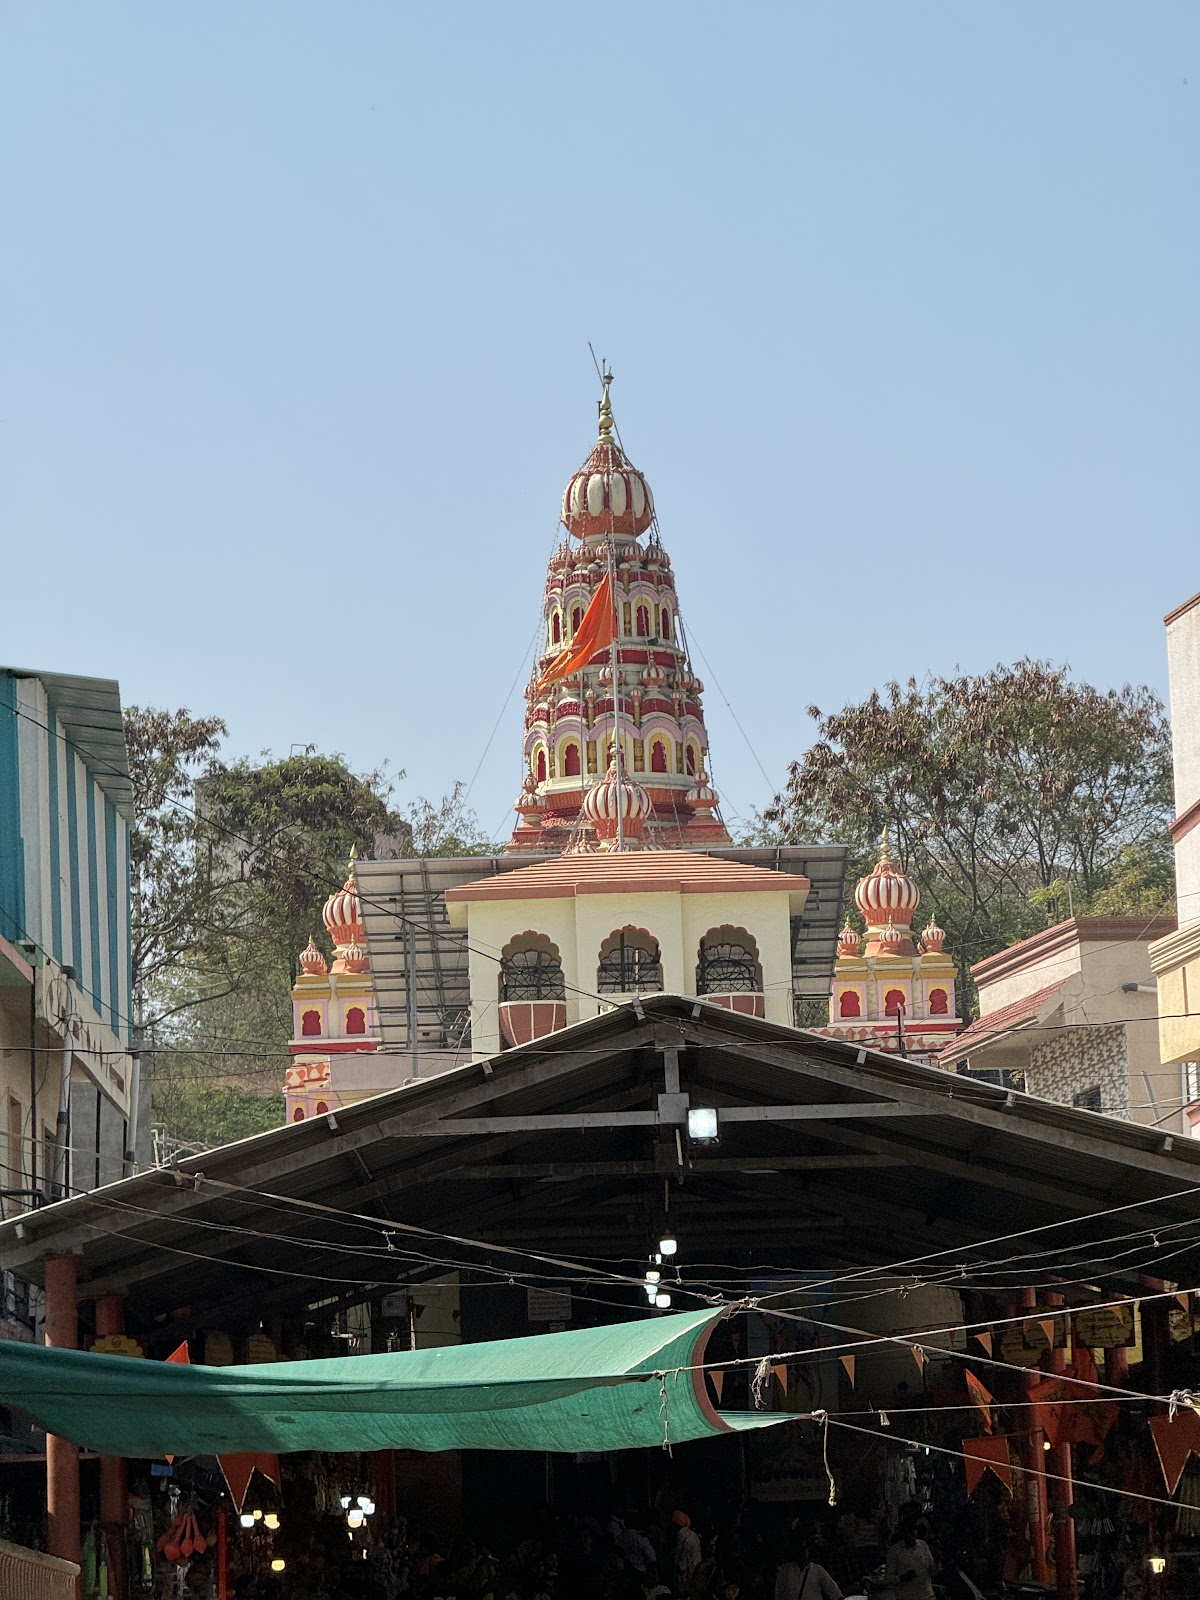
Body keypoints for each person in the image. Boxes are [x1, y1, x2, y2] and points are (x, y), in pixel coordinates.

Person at [884, 1524, 936, 1600]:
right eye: (907, 1534)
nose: (911, 1537)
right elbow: (889, 1578)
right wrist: (903, 1577)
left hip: (926, 1595)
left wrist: (936, 1563)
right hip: (907, 1596)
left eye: (912, 1533)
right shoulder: (894, 1551)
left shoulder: (923, 1545)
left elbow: (932, 1569)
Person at [774, 1542, 842, 1600]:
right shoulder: (785, 1571)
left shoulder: (818, 1570)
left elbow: (834, 1591)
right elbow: (779, 1595)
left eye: (804, 1549)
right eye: (800, 1549)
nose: (802, 1552)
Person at [673, 1512, 703, 1597]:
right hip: (695, 1567)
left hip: (686, 1571)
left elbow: (681, 1558)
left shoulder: (682, 1535)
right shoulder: (693, 1534)